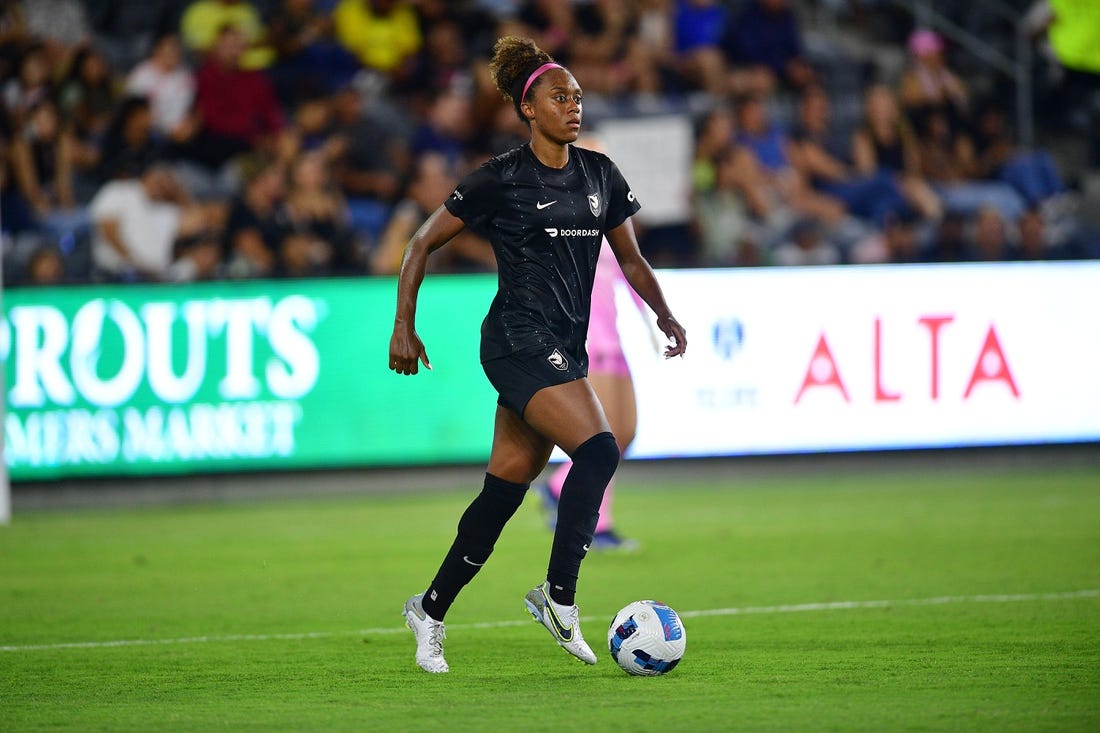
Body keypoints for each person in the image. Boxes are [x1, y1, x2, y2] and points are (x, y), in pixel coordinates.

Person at [389, 35, 686, 674]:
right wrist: (403, 327)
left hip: (562, 347)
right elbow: (420, 243)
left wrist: (663, 313)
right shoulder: (500, 178)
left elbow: (631, 258)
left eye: (577, 97)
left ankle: (430, 610)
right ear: (529, 109)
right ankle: (559, 597)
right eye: (559, 97)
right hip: (516, 340)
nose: (573, 107)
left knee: (504, 490)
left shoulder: (600, 175)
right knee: (600, 447)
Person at [536, 133, 649, 551]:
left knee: (626, 433)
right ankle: (589, 516)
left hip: (613, 338)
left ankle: (567, 490)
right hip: (581, 338)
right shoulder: (556, 215)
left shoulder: (610, 216)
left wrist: (654, 316)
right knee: (601, 437)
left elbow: (630, 268)